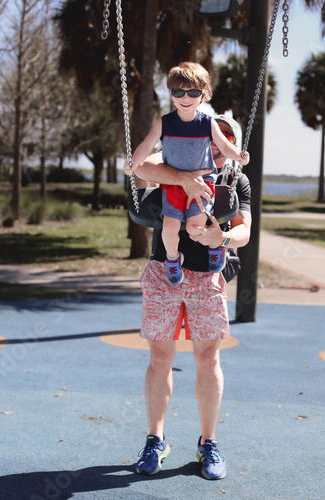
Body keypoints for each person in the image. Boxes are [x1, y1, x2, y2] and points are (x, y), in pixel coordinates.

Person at [132, 114, 252, 480]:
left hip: (207, 276)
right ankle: (156, 439)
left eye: (225, 140)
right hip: (163, 272)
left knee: (208, 358)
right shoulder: (171, 164)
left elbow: (245, 229)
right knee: (159, 358)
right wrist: (183, 177)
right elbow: (141, 168)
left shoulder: (235, 180)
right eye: (212, 138)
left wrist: (224, 240)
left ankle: (209, 442)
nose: (216, 147)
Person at [124, 62, 249, 285]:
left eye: (193, 92)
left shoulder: (234, 176)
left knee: (195, 229)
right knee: (170, 229)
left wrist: (239, 155)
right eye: (179, 92)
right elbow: (144, 155)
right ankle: (173, 260)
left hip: (208, 268)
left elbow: (245, 232)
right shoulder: (166, 129)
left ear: (203, 96)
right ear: (171, 94)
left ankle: (215, 249)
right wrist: (135, 163)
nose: (185, 97)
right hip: (172, 197)